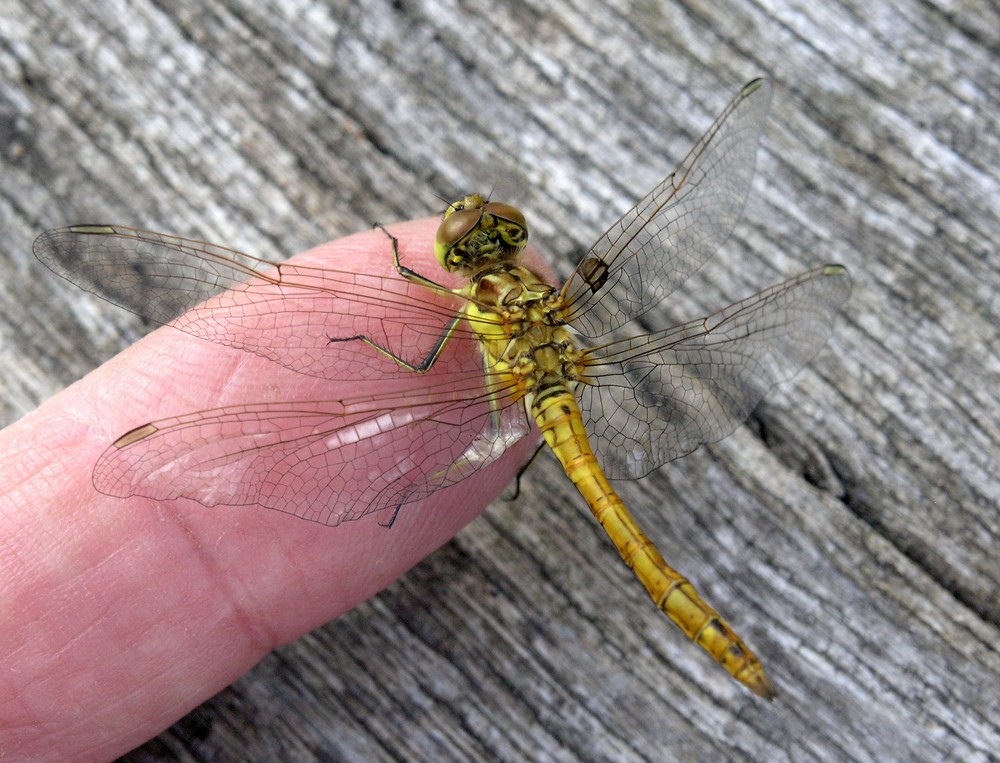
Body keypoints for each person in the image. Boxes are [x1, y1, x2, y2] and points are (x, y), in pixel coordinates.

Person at [0, 217, 538, 759]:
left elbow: (421, 360)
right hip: (546, 379)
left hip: (497, 399)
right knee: (517, 425)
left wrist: (397, 261)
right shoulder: (536, 297)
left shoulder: (467, 302)